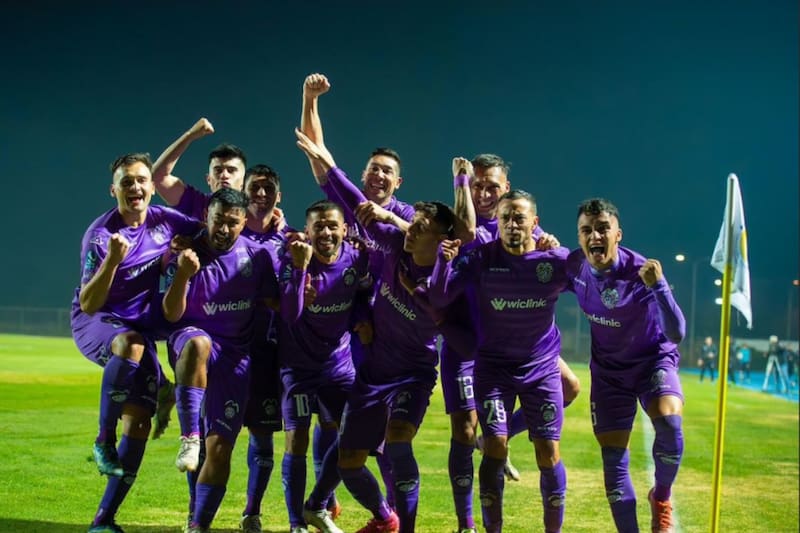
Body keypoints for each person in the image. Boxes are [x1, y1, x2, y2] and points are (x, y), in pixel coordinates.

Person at [296, 127, 457, 533]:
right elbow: (352, 197)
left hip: (414, 373)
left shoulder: (444, 279)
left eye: (420, 227)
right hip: (372, 371)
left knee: (398, 443)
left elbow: (459, 239)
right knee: (349, 461)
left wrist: (462, 183)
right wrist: (325, 161)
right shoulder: (390, 242)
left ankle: (407, 527)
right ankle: (378, 518)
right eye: (413, 223)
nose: (412, 228)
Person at [429, 189, 570, 533]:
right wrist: (443, 263)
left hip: (541, 370)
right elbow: (439, 296)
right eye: (505, 218)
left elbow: (592, 284)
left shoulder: (553, 261)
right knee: (494, 445)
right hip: (493, 369)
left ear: (534, 223)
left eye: (519, 217)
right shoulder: (480, 258)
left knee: (548, 451)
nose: (511, 224)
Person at [71, 153, 198, 533]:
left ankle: (103, 520)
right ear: (114, 190)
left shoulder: (163, 220)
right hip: (99, 322)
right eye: (127, 182)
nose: (136, 187)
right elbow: (90, 302)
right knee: (131, 345)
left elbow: (210, 227)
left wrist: (268, 224)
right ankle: (102, 440)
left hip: (141, 326)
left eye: (142, 180)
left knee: (140, 424)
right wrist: (112, 262)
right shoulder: (101, 235)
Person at [160, 187, 279, 533]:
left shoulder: (257, 258)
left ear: (244, 223)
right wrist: (183, 273)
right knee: (199, 342)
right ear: (207, 218)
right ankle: (189, 436)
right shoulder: (184, 251)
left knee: (221, 449)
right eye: (218, 220)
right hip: (189, 344)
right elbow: (170, 314)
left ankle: (197, 525)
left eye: (232, 222)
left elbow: (275, 303)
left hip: (235, 359)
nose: (224, 229)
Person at [566, 198, 685, 533]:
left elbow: (677, 333)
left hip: (652, 362)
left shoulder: (639, 271)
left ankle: (660, 497)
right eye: (586, 230)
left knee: (670, 425)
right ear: (578, 237)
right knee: (613, 458)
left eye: (603, 228)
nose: (594, 236)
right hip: (608, 374)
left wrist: (659, 286)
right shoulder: (572, 266)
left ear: (618, 234)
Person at [276, 200, 372, 533]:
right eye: (319, 226)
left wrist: (361, 318)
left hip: (338, 366)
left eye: (333, 225)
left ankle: (317, 504)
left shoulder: (357, 258)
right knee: (297, 439)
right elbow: (289, 314)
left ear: (345, 229)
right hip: (298, 368)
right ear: (308, 231)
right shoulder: (291, 258)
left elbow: (365, 296)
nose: (327, 233)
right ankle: (295, 524)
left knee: (357, 433)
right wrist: (301, 270)